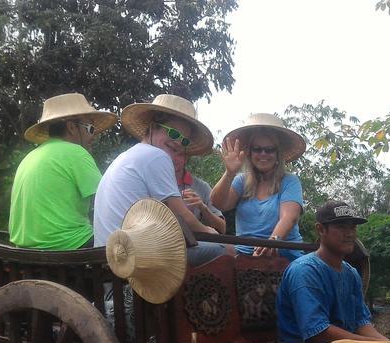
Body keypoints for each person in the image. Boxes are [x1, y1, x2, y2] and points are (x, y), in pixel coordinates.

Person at [92, 94, 224, 267]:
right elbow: (182, 217)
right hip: (134, 257)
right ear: (153, 127)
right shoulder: (156, 156)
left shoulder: (129, 156)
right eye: (173, 133)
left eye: (184, 140)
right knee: (224, 250)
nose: (178, 142)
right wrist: (208, 230)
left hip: (110, 256)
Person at [276, 200, 387, 343]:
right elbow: (318, 332)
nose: (349, 234)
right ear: (321, 229)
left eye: (352, 227)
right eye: (341, 227)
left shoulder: (351, 274)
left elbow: (361, 323)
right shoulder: (305, 271)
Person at [9, 93, 117, 250]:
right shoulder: (76, 152)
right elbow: (108, 201)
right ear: (72, 127)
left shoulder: (29, 158)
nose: (93, 136)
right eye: (90, 128)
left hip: (23, 251)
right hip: (69, 247)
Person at [211, 113, 306, 261]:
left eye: (269, 149)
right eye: (257, 149)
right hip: (243, 250)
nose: (263, 154)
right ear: (250, 152)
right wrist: (229, 173)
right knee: (205, 251)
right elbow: (219, 203)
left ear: (277, 153)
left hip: (282, 251)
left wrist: (272, 242)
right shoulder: (241, 181)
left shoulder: (290, 181)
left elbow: (289, 217)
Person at [175, 151, 226, 234]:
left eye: (179, 153)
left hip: (191, 243)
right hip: (155, 239)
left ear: (187, 157)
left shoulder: (202, 187)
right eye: (170, 149)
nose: (173, 157)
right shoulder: (152, 178)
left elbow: (222, 229)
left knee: (228, 247)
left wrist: (203, 208)